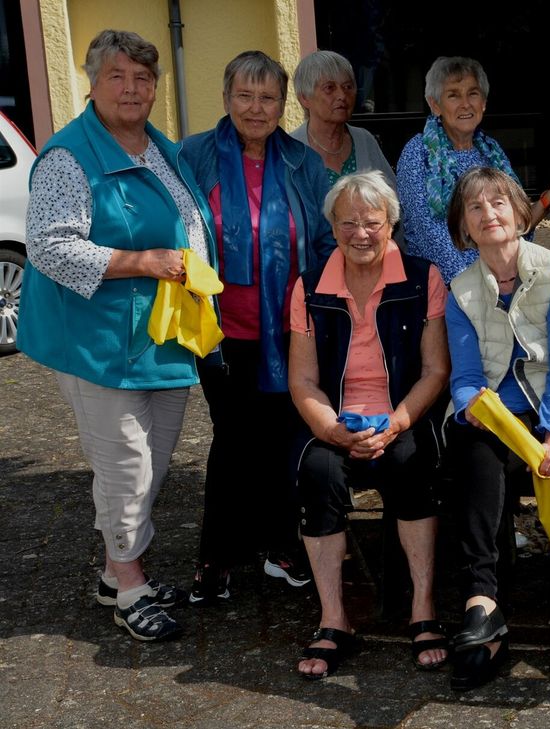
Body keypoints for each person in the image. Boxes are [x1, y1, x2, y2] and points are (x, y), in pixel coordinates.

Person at [18, 30, 216, 641]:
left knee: (152, 462)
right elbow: (48, 247)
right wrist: (143, 262)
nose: (132, 89)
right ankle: (130, 588)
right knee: (126, 466)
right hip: (98, 342)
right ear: (93, 83)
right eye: (117, 77)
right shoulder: (69, 156)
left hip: (161, 336)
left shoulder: (160, 146)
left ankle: (114, 572)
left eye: (143, 78)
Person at [180, 50, 337, 605]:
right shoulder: (193, 155)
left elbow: (325, 241)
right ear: (226, 98)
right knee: (232, 440)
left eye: (267, 97)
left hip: (288, 331)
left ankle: (279, 545)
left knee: (280, 439)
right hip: (219, 331)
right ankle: (217, 556)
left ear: (283, 104)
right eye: (244, 95)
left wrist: (316, 305)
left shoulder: (303, 162)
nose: (255, 107)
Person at [288, 171, 450, 679]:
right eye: (348, 223)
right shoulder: (310, 286)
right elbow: (302, 380)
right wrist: (332, 429)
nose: (360, 234)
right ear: (332, 226)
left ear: (391, 225)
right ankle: (334, 619)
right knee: (318, 473)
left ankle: (422, 608)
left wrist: (397, 423)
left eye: (372, 223)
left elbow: (435, 371)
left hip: (402, 417)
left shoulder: (423, 278)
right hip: (336, 420)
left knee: (413, 462)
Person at [443, 166, 550, 691]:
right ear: (464, 226)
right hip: (493, 411)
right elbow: (465, 377)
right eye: (475, 207)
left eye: (498, 202)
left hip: (548, 408)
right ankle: (483, 601)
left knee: (487, 458)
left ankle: (487, 615)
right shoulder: (459, 290)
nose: (488, 214)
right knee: (474, 448)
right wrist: (468, 407)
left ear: (521, 212)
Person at [395, 56, 550, 284]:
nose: (465, 104)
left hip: (500, 277)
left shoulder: (491, 151)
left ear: (483, 102)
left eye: (472, 93)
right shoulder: (418, 153)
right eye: (453, 95)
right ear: (435, 105)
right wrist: (477, 285)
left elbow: (517, 225)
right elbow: (429, 235)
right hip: (447, 286)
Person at [290, 50, 396, 189]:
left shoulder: (364, 140)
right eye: (329, 88)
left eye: (347, 87)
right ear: (304, 98)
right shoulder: (290, 150)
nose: (342, 95)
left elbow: (391, 196)